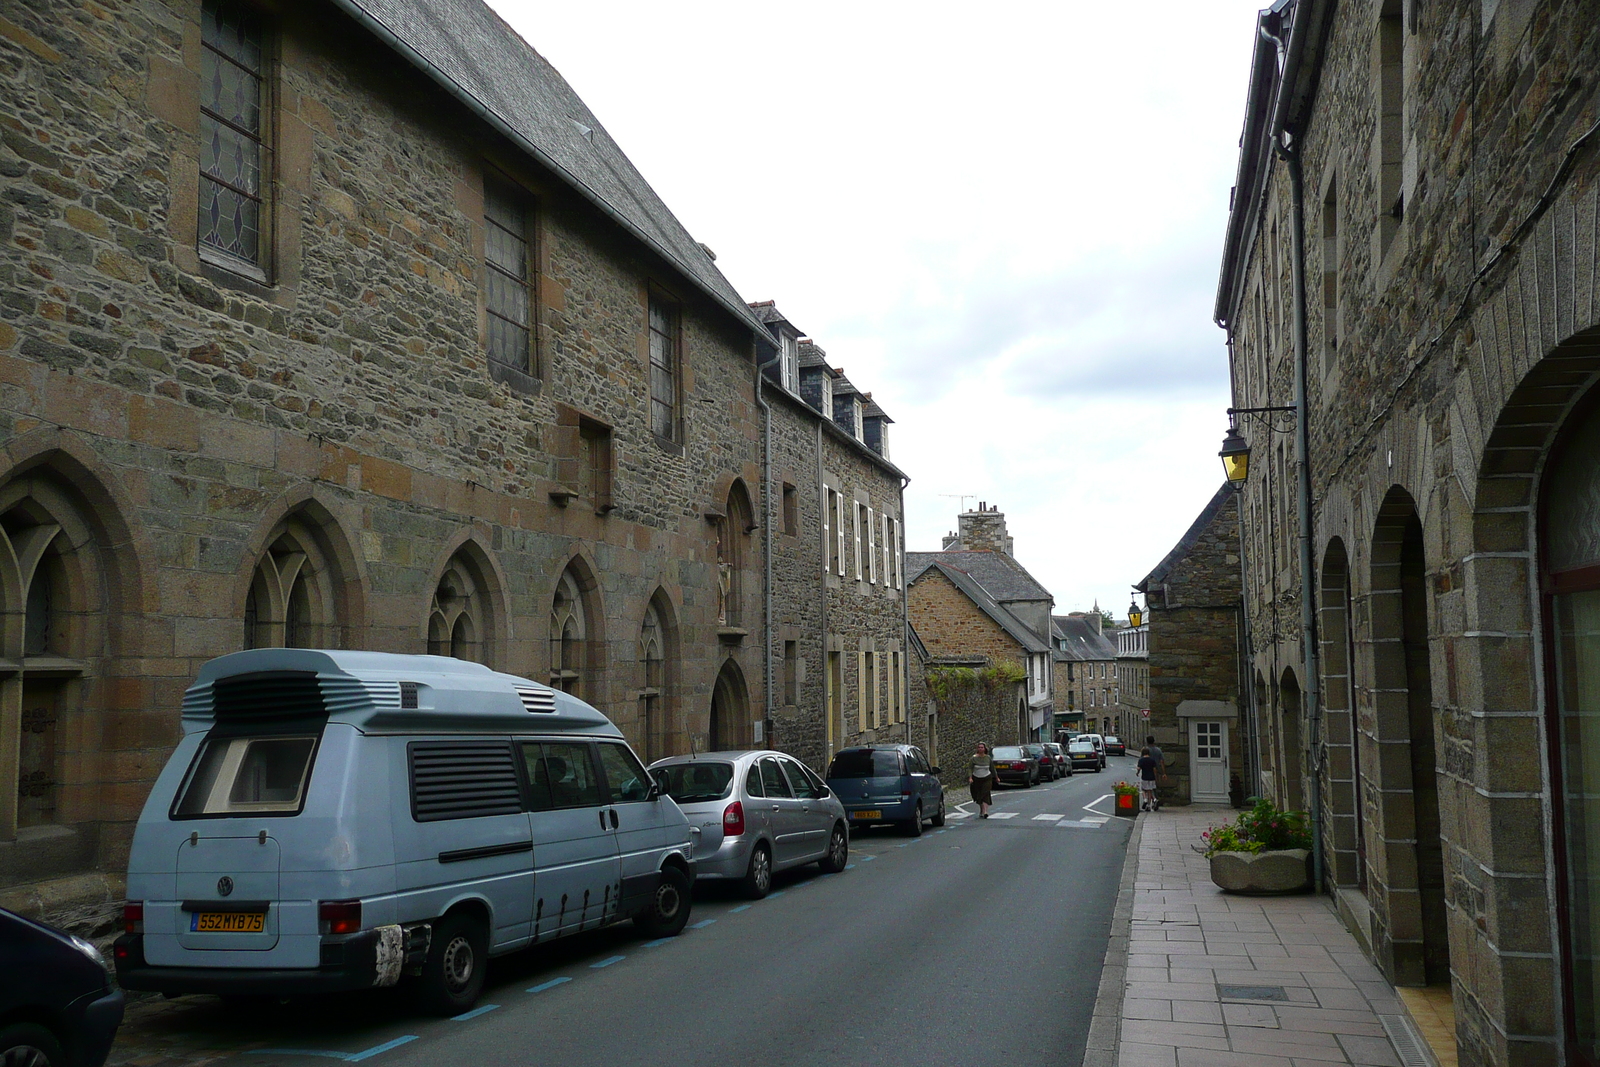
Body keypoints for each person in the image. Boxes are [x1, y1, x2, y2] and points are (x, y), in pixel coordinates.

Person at [968, 742, 994, 819]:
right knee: (978, 795)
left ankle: (985, 811)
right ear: (977, 749)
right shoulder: (973, 758)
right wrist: (970, 777)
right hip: (976, 778)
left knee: (985, 793)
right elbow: (970, 768)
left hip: (987, 778)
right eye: (979, 747)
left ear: (985, 748)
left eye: (982, 747)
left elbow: (992, 768)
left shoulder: (988, 758)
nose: (980, 749)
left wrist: (996, 777)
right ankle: (981, 810)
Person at [1145, 734, 1165, 811]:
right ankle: (1155, 800)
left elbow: (1142, 760)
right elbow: (1162, 761)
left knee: (1147, 788)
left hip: (1147, 771)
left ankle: (1151, 802)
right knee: (1155, 786)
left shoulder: (1146, 750)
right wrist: (1163, 773)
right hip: (1157, 770)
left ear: (1147, 742)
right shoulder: (1158, 750)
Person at [1136, 747, 1159, 811]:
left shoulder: (1141, 760)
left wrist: (1137, 773)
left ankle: (1145, 800)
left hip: (1144, 777)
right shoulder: (1152, 760)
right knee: (1150, 791)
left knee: (1143, 789)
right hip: (1152, 777)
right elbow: (1154, 769)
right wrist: (1156, 777)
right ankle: (1152, 802)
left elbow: (1139, 768)